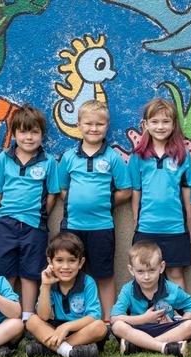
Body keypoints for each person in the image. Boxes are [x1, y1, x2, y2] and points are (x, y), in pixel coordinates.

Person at [58, 100, 132, 321]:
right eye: (88, 123)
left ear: (107, 126)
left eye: (99, 124)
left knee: (104, 275)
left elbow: (126, 190)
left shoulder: (112, 157)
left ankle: (108, 321)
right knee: (71, 274)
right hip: (72, 227)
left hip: (102, 226)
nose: (93, 128)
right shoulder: (69, 157)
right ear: (79, 124)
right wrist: (74, 201)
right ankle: (72, 317)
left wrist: (106, 202)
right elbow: (62, 188)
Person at [0, 105, 60, 322]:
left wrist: (38, 215)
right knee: (4, 272)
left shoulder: (48, 162)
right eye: (23, 132)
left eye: (34, 132)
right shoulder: (4, 158)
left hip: (35, 226)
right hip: (6, 224)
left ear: (42, 134)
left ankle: (28, 319)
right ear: (14, 133)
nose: (28, 137)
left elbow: (52, 195)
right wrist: (12, 212)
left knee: (31, 273)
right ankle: (7, 317)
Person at [128, 98, 191, 290]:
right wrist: (135, 218)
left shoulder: (182, 154)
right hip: (147, 226)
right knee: (146, 274)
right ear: (145, 125)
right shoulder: (138, 155)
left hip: (175, 227)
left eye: (166, 122)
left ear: (174, 125)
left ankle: (181, 317)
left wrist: (189, 219)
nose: (160, 126)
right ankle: (147, 317)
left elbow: (186, 187)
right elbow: (136, 189)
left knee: (175, 274)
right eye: (155, 122)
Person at [25, 233, 108, 357]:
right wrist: (46, 286)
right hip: (53, 329)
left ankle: (50, 349)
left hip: (80, 330)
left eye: (72, 260)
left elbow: (93, 317)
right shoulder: (49, 282)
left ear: (81, 263)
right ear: (50, 262)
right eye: (59, 260)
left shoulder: (88, 282)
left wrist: (67, 327)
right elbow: (43, 316)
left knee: (100, 327)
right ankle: (70, 351)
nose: (65, 267)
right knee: (32, 320)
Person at [110, 240, 191, 357]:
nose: (146, 277)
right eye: (140, 271)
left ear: (161, 267)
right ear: (131, 270)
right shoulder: (128, 290)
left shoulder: (171, 289)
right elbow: (114, 318)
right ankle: (163, 347)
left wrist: (179, 322)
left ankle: (139, 346)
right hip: (137, 330)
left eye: (151, 270)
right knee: (118, 326)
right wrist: (143, 318)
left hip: (165, 329)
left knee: (190, 326)